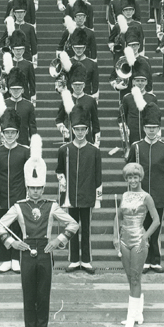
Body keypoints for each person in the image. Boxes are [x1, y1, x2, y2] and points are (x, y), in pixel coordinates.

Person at [0, 145, 79, 327]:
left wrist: (57, 240)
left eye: (39, 188)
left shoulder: (51, 205)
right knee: (28, 294)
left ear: (43, 188)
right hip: (26, 250)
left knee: (43, 294)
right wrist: (12, 243)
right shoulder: (18, 206)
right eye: (32, 188)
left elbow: (73, 224)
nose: (35, 192)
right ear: (27, 188)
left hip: (45, 251)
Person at [127, 103, 164, 273]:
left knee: (156, 229)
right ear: (144, 128)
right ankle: (145, 260)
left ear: (159, 128)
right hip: (140, 196)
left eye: (154, 127)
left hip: (158, 195)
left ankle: (156, 260)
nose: (151, 130)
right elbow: (129, 170)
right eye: (148, 127)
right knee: (142, 228)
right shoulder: (136, 147)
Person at [56, 105, 102, 274]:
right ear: (72, 129)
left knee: (86, 229)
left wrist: (97, 198)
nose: (80, 132)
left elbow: (98, 176)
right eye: (77, 129)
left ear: (87, 130)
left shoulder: (94, 151)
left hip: (88, 196)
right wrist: (62, 183)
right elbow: (59, 171)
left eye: (83, 129)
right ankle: (74, 260)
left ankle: (87, 260)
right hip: (71, 196)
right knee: (71, 228)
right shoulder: (64, 150)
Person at [115, 162, 161, 327]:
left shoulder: (146, 197)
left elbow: (156, 220)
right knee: (130, 277)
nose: (132, 180)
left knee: (135, 277)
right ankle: (138, 312)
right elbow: (118, 217)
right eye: (129, 177)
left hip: (138, 240)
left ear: (140, 177)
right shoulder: (124, 195)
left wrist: (145, 237)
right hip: (124, 240)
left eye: (135, 177)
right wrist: (115, 237)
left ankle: (130, 317)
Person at [0, 108, 32, 273]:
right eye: (7, 132)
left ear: (18, 133)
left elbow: (29, 173)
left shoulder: (24, 151)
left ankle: (16, 258)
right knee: (2, 225)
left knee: (17, 226)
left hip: (19, 194)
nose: (10, 135)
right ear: (2, 133)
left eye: (13, 132)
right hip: (2, 195)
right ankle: (5, 258)